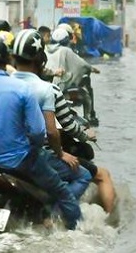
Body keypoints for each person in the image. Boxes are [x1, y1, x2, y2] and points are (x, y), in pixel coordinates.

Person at [0, 36, 83, 230]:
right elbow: (39, 132)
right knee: (62, 192)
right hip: (23, 161)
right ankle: (78, 232)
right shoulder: (23, 89)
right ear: (7, 60)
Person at [11, 29, 92, 200]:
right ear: (40, 61)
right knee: (85, 175)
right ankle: (57, 212)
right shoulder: (48, 90)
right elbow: (54, 130)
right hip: (36, 157)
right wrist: (83, 137)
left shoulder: (1, 87)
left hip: (4, 155)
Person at [52, 83, 116, 214]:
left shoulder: (17, 91)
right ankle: (110, 219)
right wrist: (85, 135)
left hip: (11, 157)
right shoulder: (49, 92)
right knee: (102, 175)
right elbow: (66, 127)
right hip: (46, 156)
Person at [46, 28, 100, 124]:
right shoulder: (66, 50)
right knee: (86, 97)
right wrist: (92, 68)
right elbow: (81, 64)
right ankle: (88, 118)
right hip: (60, 87)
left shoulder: (45, 48)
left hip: (46, 87)